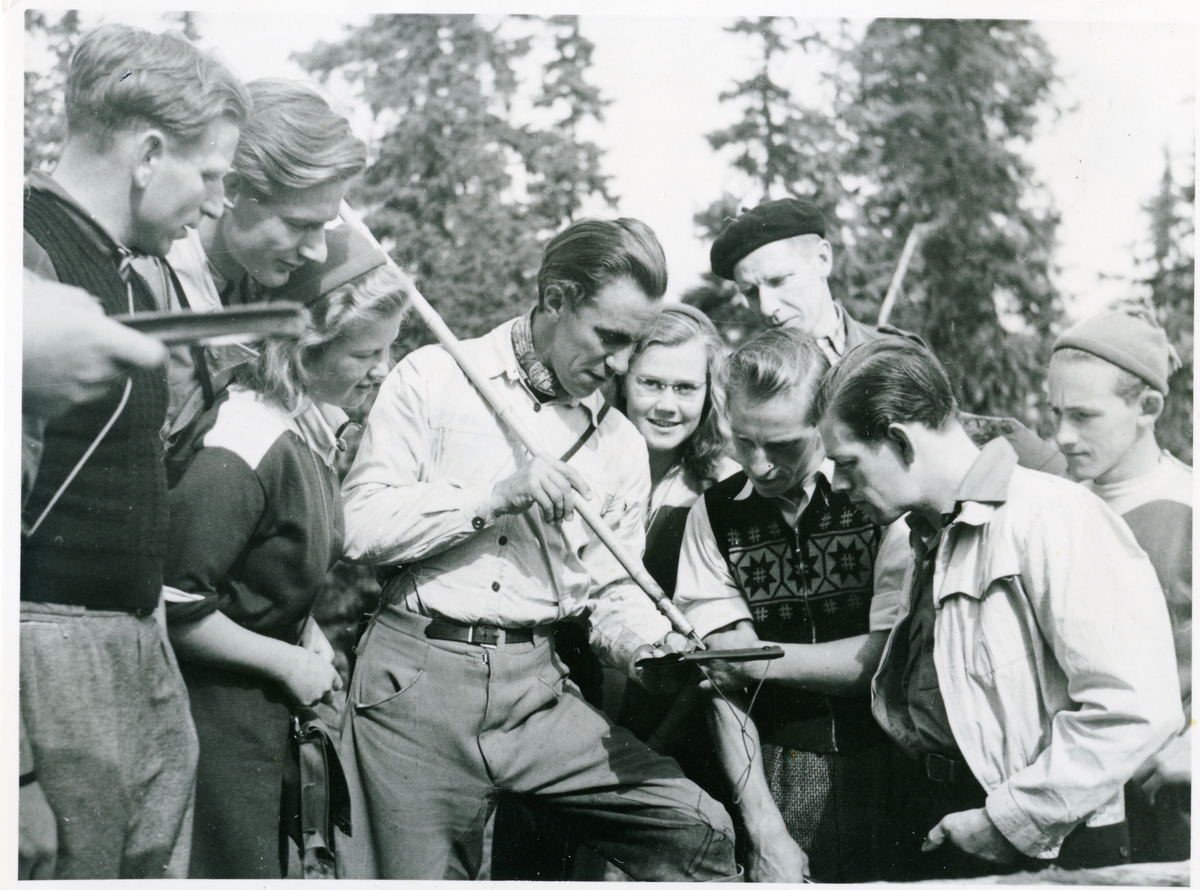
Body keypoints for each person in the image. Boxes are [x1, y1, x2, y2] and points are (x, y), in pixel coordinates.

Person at [336, 218, 739, 881]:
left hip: (537, 691)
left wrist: (649, 649)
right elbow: (357, 525)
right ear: (556, 299)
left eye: (633, 345)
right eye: (609, 338)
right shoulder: (436, 375)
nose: (619, 366)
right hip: (417, 680)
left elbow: (613, 591)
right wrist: (491, 498)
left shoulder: (619, 443)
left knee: (697, 829)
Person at [815, 336, 1184, 879]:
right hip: (946, 821)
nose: (838, 484)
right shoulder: (922, 535)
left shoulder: (1052, 516)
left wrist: (1009, 821)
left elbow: (1136, 707)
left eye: (847, 462)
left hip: (1052, 848)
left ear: (900, 439)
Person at [20, 23, 249, 879]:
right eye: (212, 175)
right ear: (150, 154)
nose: (218, 204)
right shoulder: (25, 256)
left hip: (136, 645)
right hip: (46, 664)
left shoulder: (136, 277)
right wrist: (14, 772)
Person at [162, 226, 408, 878]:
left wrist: (307, 631)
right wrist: (287, 661)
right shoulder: (242, 444)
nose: (383, 369)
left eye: (389, 348)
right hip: (211, 727)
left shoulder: (305, 430)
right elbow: (171, 602)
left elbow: (261, 571)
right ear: (303, 348)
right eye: (365, 354)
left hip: (259, 720)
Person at [672, 327, 907, 883]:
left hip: (895, 767)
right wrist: (765, 832)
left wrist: (757, 663)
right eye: (742, 440)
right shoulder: (714, 513)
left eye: (782, 445)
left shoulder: (880, 499)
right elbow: (722, 682)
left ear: (826, 421)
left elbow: (887, 659)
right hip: (771, 772)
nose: (759, 465)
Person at [709, 197, 1067, 475]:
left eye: (778, 281)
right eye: (750, 292)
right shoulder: (743, 384)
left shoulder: (893, 352)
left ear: (822, 260)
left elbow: (952, 443)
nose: (767, 306)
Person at [139, 77, 368, 441]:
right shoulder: (145, 286)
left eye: (324, 226)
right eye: (299, 224)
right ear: (232, 189)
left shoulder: (267, 289)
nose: (319, 252)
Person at [1048, 307, 1191, 862]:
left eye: (1084, 416)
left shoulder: (1187, 508)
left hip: (1165, 798)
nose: (1063, 436)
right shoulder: (1052, 505)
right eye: (1056, 413)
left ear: (1148, 408)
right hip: (1072, 799)